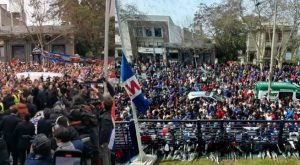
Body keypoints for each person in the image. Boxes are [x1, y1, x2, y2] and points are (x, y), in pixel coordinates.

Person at [99, 94, 114, 165]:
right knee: (108, 155)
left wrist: (101, 142)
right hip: (108, 140)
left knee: (105, 156)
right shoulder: (107, 114)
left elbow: (104, 131)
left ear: (104, 105)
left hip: (105, 141)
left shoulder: (105, 117)